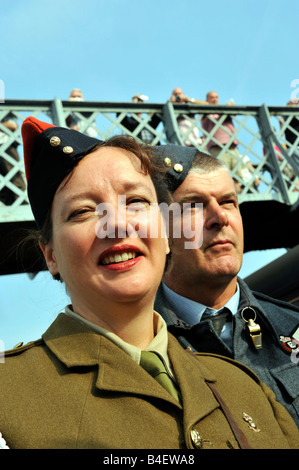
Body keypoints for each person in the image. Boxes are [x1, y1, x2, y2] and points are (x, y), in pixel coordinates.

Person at [0, 117, 298, 449]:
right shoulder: (6, 395)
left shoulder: (244, 385)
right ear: (50, 255)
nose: (117, 225)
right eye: (83, 211)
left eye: (136, 202)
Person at [153, 143, 299, 427]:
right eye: (194, 206)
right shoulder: (139, 348)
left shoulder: (291, 325)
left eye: (229, 202)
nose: (220, 218)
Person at [201, 91, 259, 192]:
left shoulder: (223, 110)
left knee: (236, 179)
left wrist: (229, 107)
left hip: (232, 148)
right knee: (224, 180)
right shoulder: (205, 112)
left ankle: (238, 204)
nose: (215, 99)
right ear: (207, 100)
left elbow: (234, 113)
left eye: (216, 97)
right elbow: (199, 105)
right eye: (212, 97)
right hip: (218, 149)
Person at [0, 113, 26, 205]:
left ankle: (24, 204)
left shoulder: (5, 111)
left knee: (15, 178)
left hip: (5, 146)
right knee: (4, 187)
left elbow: (12, 125)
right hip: (4, 146)